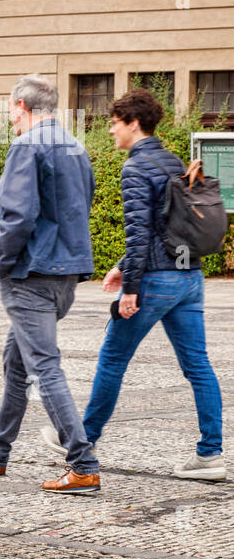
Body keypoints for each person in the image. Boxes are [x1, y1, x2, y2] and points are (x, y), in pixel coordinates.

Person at [45, 88, 223, 480]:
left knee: (112, 360)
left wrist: (131, 289)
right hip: (189, 277)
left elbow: (140, 232)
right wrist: (122, 266)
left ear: (133, 124)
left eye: (114, 123)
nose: (111, 131)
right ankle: (211, 455)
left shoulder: (136, 168)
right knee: (198, 366)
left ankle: (82, 439)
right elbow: (168, 226)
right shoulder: (172, 160)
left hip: (157, 281)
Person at [0, 74, 101, 493]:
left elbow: (18, 219)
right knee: (16, 361)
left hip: (32, 274)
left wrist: (0, 263)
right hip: (67, 273)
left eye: (10, 112)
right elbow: (76, 202)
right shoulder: (76, 146)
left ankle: (83, 463)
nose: (10, 120)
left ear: (21, 106)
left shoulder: (25, 146)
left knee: (44, 368)